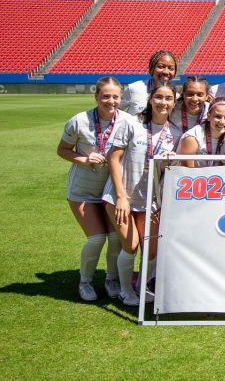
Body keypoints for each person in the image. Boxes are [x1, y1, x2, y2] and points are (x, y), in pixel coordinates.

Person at [102, 84, 182, 306]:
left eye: (168, 99)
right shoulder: (131, 124)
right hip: (121, 196)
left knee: (152, 247)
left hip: (150, 199)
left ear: (174, 103)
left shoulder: (175, 133)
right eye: (158, 97)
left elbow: (173, 169)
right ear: (150, 99)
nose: (162, 103)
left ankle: (140, 287)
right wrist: (120, 197)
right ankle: (125, 291)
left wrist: (171, 159)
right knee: (131, 244)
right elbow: (113, 158)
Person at [56, 77, 131, 302]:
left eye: (115, 96)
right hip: (83, 190)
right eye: (106, 96)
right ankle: (85, 282)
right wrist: (84, 159)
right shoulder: (79, 121)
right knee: (97, 238)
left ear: (121, 98)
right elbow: (62, 150)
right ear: (96, 96)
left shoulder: (128, 121)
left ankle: (111, 279)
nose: (111, 101)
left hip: (110, 190)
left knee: (116, 237)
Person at [177, 97, 225, 168]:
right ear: (209, 116)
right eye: (218, 116)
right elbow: (188, 172)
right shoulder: (192, 137)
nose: (222, 122)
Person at [121, 50, 177, 115]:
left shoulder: (175, 97)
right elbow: (115, 112)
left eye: (171, 68)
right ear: (151, 68)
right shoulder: (134, 88)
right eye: (161, 67)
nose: (166, 72)